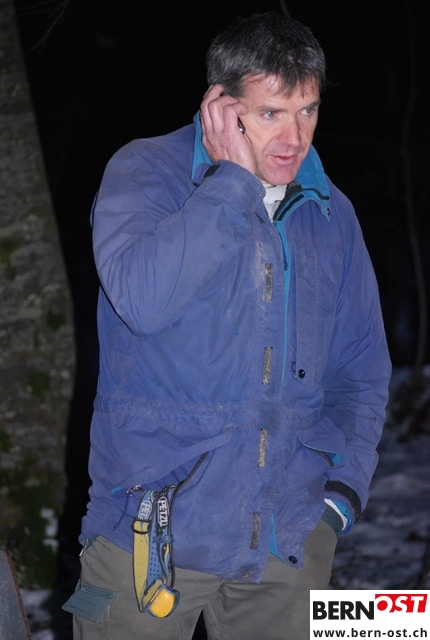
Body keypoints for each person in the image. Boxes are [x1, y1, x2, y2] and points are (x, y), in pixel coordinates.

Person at [63, 11, 391, 640]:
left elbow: (361, 368)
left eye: (308, 110)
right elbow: (142, 299)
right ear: (220, 107)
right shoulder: (147, 172)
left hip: (287, 542)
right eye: (271, 113)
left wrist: (338, 498)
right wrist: (231, 182)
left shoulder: (331, 211)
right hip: (148, 533)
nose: (295, 137)